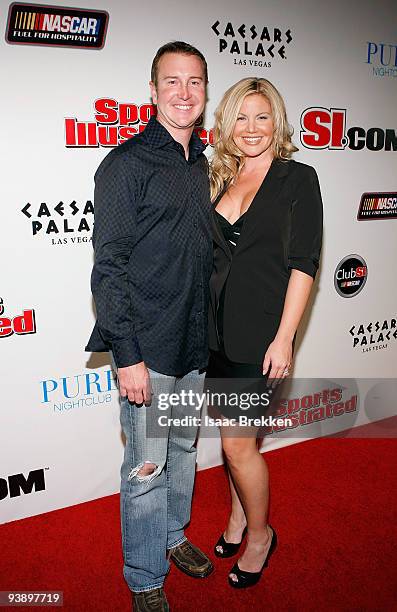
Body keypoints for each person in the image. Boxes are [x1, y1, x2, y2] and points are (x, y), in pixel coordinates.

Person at [86, 41, 214, 611]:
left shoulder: (204, 163)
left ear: (206, 92)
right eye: (172, 81)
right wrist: (128, 354)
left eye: (195, 82)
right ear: (154, 90)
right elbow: (107, 268)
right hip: (149, 351)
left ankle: (171, 535)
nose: (184, 92)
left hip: (193, 343)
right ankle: (144, 577)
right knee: (147, 466)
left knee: (183, 450)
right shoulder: (126, 164)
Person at [206, 77, 323, 588]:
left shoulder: (297, 179)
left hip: (260, 338)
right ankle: (236, 519)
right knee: (241, 439)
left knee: (236, 447)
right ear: (227, 124)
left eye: (262, 116)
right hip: (213, 336)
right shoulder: (219, 180)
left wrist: (284, 338)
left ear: (277, 122)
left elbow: (304, 264)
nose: (251, 128)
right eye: (240, 116)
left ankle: (260, 535)